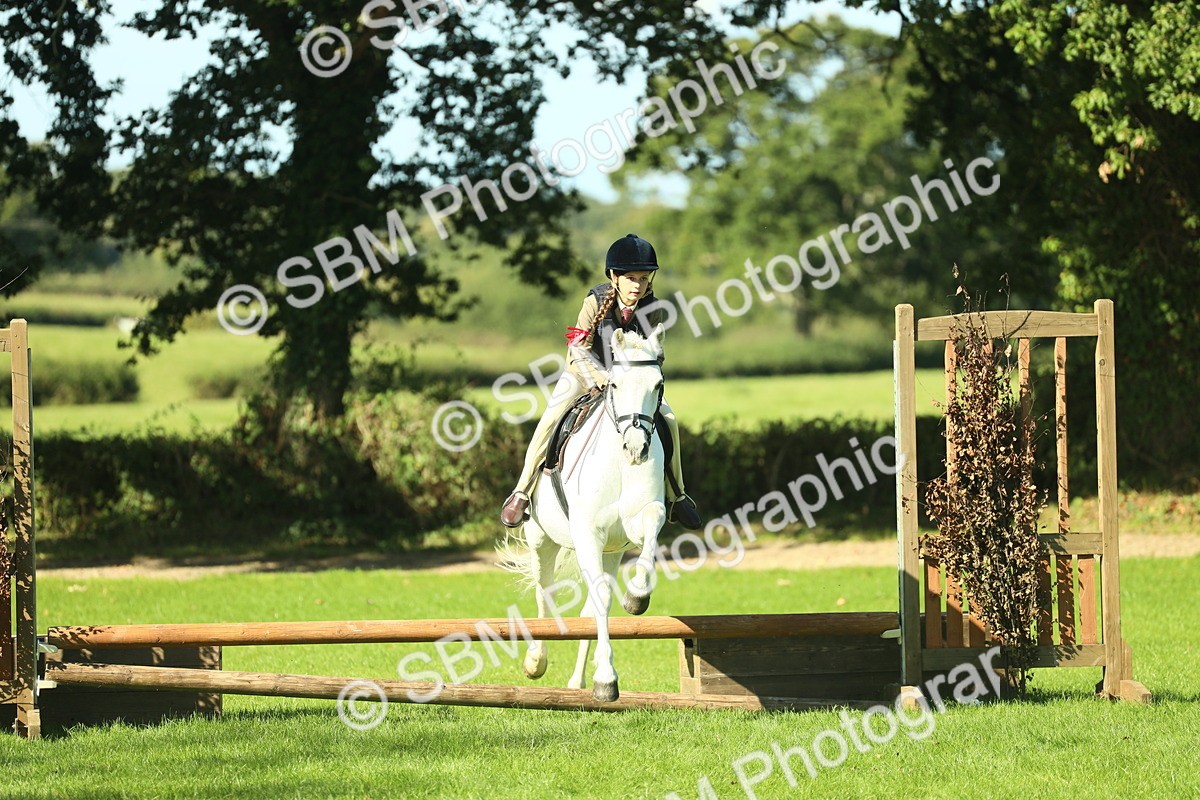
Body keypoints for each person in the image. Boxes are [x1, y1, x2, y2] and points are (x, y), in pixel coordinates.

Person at [499, 233, 702, 531]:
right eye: (631, 278)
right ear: (614, 277)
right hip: (583, 374)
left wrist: (638, 380)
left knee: (669, 420)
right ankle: (522, 492)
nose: (638, 285)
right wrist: (601, 378)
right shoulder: (594, 301)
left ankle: (677, 495)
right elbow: (577, 348)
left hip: (629, 382)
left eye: (644, 278)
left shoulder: (654, 309)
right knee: (551, 418)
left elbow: (655, 354)